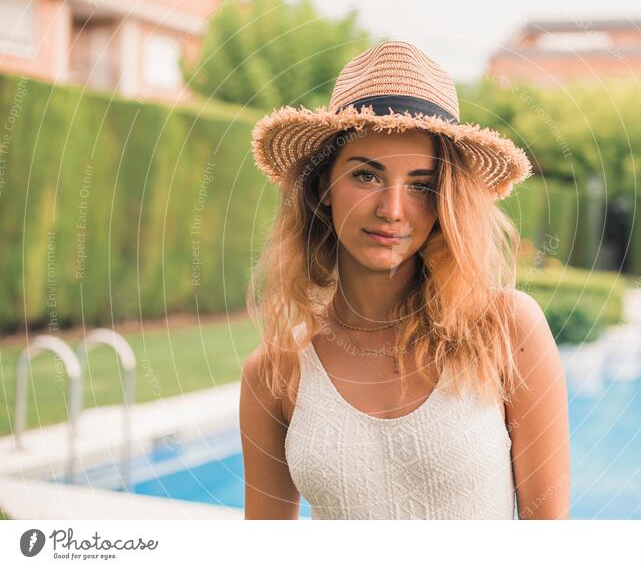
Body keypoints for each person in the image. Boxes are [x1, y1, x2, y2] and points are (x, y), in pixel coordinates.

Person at [240, 40, 570, 519]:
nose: (392, 211)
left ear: (445, 201)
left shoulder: (506, 330)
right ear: (323, 187)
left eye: (420, 184)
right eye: (366, 176)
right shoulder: (275, 374)